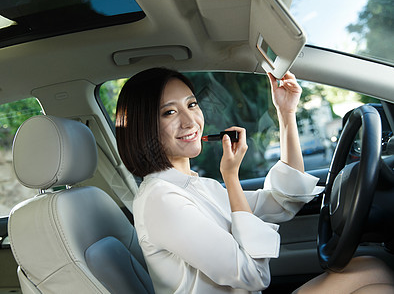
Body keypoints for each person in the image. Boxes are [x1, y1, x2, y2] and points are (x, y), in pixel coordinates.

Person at [115, 67, 394, 294]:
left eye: (192, 104)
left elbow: (283, 201)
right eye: (169, 112)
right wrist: (232, 178)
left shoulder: (194, 185)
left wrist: (286, 114)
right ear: (144, 126)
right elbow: (253, 275)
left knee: (373, 266)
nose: (190, 121)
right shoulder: (160, 199)